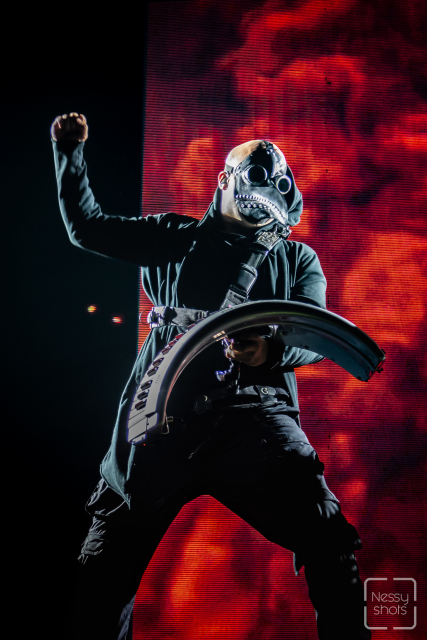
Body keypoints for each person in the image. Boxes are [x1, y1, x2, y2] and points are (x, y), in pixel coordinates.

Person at [51, 113, 370, 640]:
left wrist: (269, 348)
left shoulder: (296, 258)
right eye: (257, 172)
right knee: (102, 576)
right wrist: (69, 152)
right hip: (159, 422)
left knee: (328, 538)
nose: (268, 183)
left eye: (278, 180)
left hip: (254, 423)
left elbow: (314, 334)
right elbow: (87, 228)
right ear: (224, 179)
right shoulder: (171, 237)